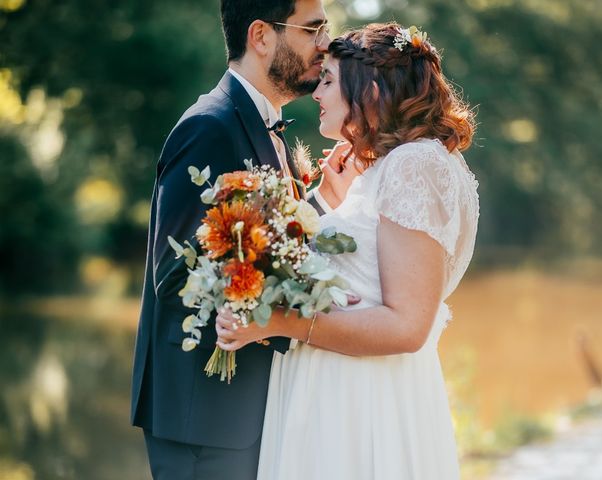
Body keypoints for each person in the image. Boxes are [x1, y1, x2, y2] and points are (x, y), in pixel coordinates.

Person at [215, 22, 479, 479]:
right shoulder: (405, 164)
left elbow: (406, 326)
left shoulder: (412, 165)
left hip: (359, 401)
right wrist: (331, 203)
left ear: (371, 90)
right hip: (353, 388)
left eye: (330, 80)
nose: (317, 91)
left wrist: (278, 322)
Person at [129, 1, 333, 478]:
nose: (325, 43)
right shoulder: (209, 127)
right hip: (202, 420)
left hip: (243, 412)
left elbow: (270, 239)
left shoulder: (271, 129)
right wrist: (282, 304)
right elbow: (174, 272)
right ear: (261, 36)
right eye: (312, 29)